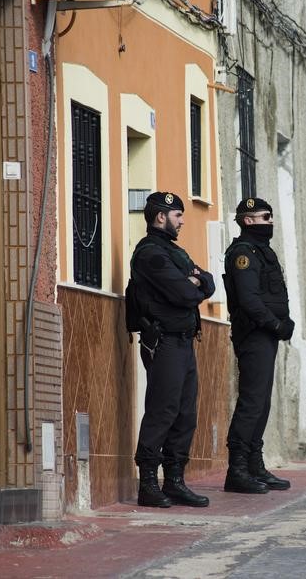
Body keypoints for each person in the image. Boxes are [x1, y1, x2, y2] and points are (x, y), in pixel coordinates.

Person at [127, 191, 215, 508]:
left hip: (183, 341)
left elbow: (208, 281)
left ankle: (175, 481)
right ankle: (149, 483)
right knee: (162, 411)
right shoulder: (150, 254)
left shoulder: (173, 252)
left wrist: (196, 280)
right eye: (178, 216)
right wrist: (192, 283)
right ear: (161, 217)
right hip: (163, 342)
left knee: (185, 413)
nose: (181, 221)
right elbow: (185, 294)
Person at [222, 197, 294, 494]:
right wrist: (275, 324)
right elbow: (249, 300)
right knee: (251, 402)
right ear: (248, 220)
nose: (271, 222)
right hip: (254, 333)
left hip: (265, 334)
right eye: (266, 217)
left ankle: (254, 464)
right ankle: (237, 470)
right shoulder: (244, 253)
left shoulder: (262, 252)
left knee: (262, 402)